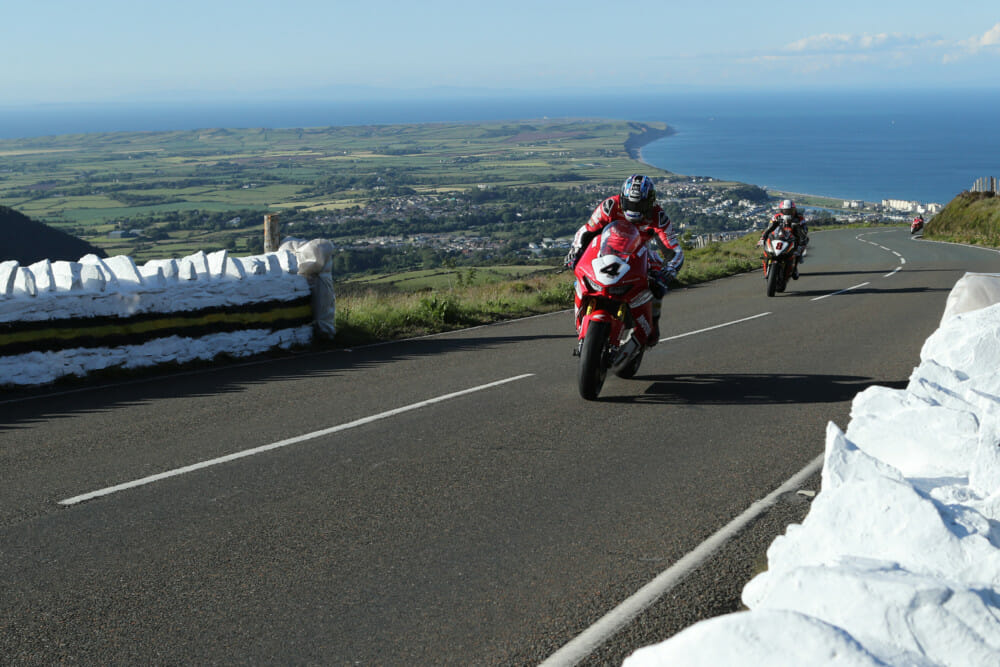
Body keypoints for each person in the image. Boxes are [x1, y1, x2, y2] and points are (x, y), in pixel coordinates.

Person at [564, 174, 684, 347]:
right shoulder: (610, 205)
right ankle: (583, 313)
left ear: (650, 203)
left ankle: (652, 323)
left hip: (639, 254)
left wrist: (668, 271)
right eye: (630, 203)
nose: (635, 209)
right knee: (580, 275)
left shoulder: (659, 217)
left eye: (640, 204)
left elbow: (674, 250)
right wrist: (574, 252)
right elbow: (586, 230)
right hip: (605, 250)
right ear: (622, 198)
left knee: (658, 287)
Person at [758, 199, 809, 279]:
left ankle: (794, 267)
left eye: (790, 211)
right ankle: (766, 266)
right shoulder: (776, 217)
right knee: (767, 248)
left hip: (794, 239)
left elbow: (805, 231)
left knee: (798, 251)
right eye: (786, 211)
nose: (788, 213)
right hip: (779, 237)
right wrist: (762, 238)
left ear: (794, 210)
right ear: (781, 210)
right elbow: (769, 228)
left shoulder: (800, 218)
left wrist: (799, 227)